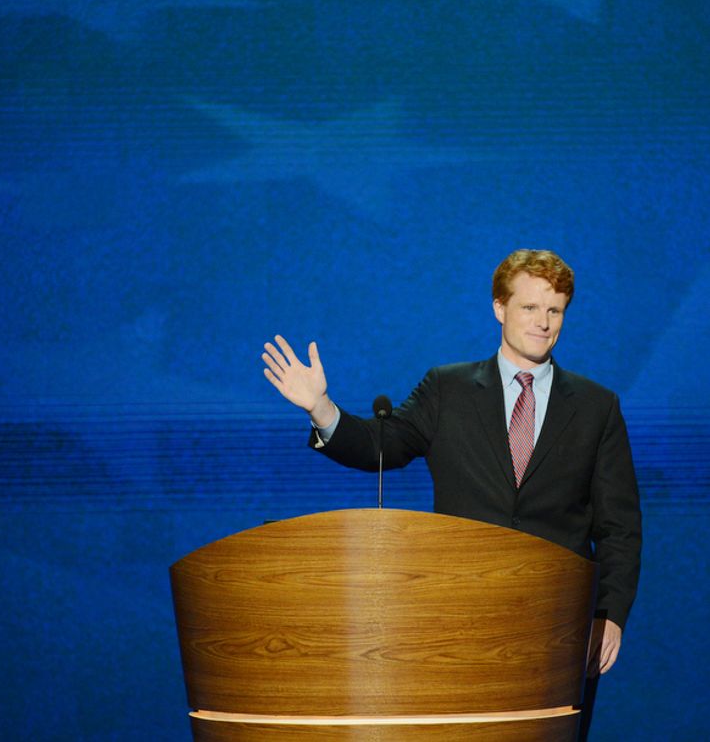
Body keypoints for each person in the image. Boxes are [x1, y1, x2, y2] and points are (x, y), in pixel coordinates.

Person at [262, 248, 641, 738]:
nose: (543, 322)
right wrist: (322, 408)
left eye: (555, 310)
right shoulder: (449, 389)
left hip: (557, 624)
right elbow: (384, 446)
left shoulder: (596, 406)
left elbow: (619, 529)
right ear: (499, 308)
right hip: (458, 620)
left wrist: (607, 616)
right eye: (529, 308)